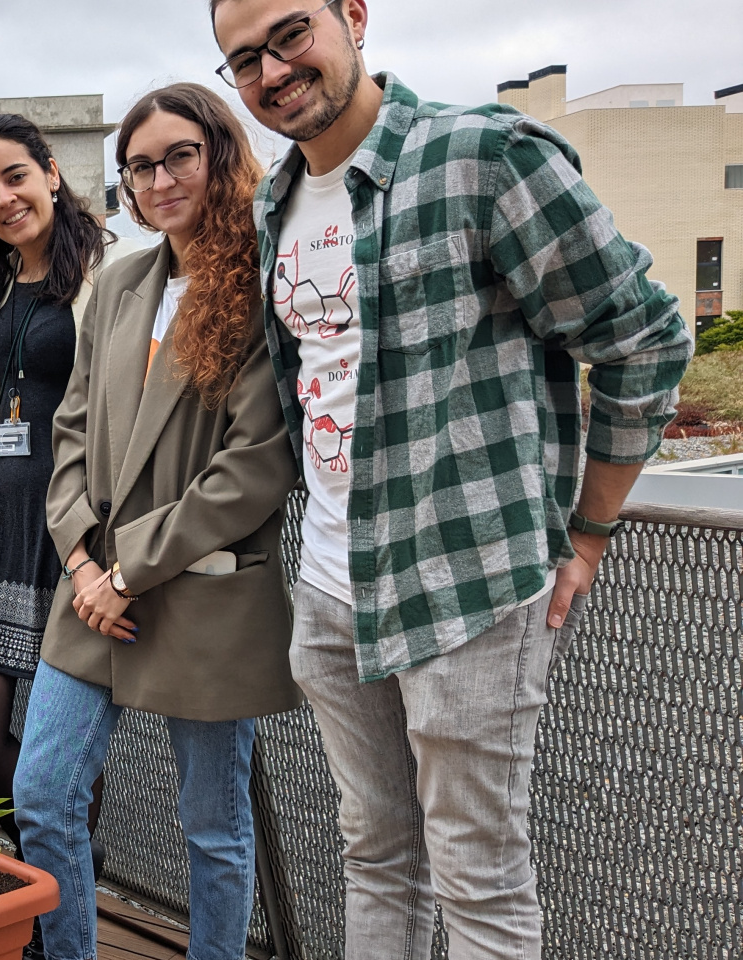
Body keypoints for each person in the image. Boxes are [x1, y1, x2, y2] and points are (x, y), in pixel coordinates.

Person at [208, 1, 694, 956]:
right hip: (332, 583)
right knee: (374, 852)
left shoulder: (483, 156)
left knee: (479, 878)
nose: (271, 71)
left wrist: (588, 534)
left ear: (353, 15)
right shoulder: (276, 203)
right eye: (243, 59)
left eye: (290, 33)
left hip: (463, 582)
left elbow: (644, 339)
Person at [14, 83, 302, 960]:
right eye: (140, 166)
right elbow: (69, 428)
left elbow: (257, 464)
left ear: (221, 154)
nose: (160, 177)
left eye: (180, 154)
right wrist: (79, 561)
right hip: (93, 589)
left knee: (213, 826)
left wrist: (125, 570)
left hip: (197, 590)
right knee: (43, 795)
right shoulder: (122, 284)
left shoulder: (263, 280)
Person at [0, 114, 109, 833]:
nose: (3, 199)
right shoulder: (3, 280)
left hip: (68, 529)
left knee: (59, 749)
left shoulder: (109, 274)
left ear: (51, 172)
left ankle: (60, 895)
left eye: (14, 177)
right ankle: (54, 855)